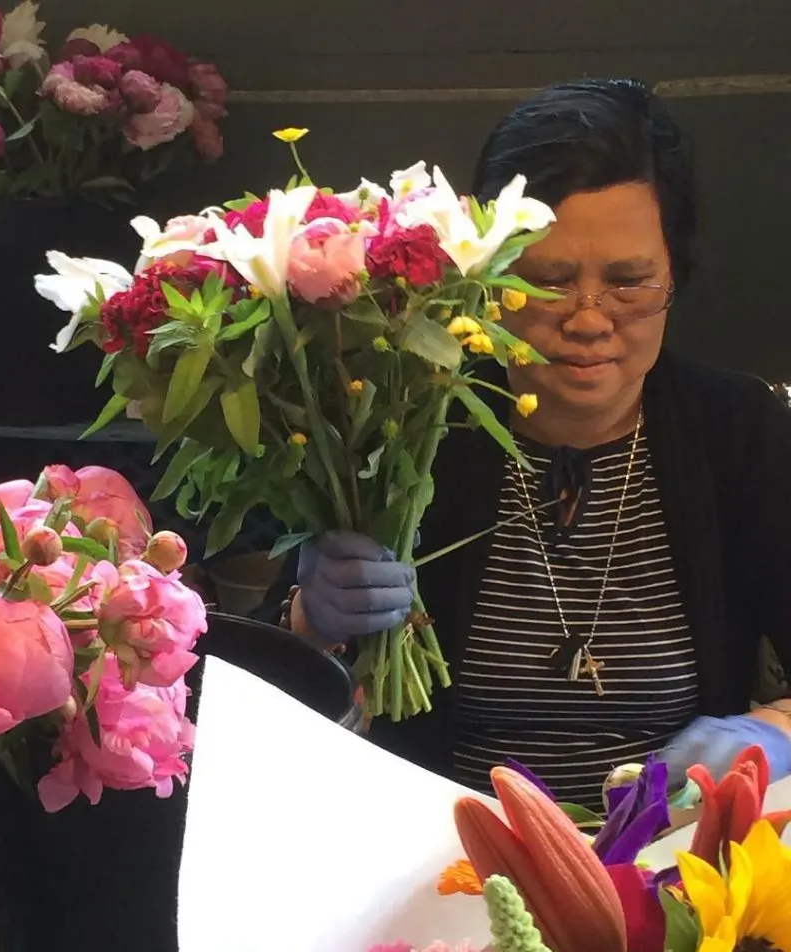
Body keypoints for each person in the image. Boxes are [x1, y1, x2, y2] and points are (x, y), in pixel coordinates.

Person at [288, 77, 791, 807]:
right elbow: (267, 674)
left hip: (670, 859)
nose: (589, 320)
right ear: (484, 277)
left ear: (675, 274)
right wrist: (313, 619)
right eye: (547, 282)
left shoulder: (737, 431)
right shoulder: (406, 420)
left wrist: (773, 730)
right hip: (437, 849)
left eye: (629, 283)